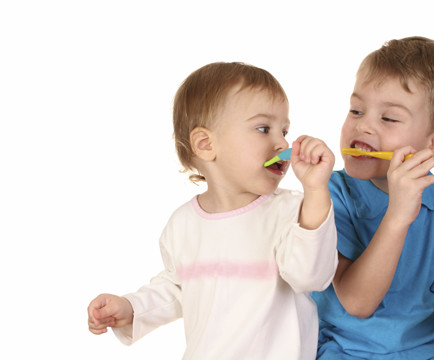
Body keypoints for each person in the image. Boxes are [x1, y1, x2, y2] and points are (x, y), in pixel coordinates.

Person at [87, 62, 338, 360]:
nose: (282, 142)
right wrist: (131, 308)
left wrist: (316, 190)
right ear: (206, 144)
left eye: (284, 130)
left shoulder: (292, 211)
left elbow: (310, 277)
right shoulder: (183, 225)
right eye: (263, 128)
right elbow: (178, 288)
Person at [311, 37, 434, 359]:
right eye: (356, 110)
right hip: (343, 352)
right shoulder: (331, 193)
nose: (363, 125)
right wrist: (399, 214)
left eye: (388, 118)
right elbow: (357, 303)